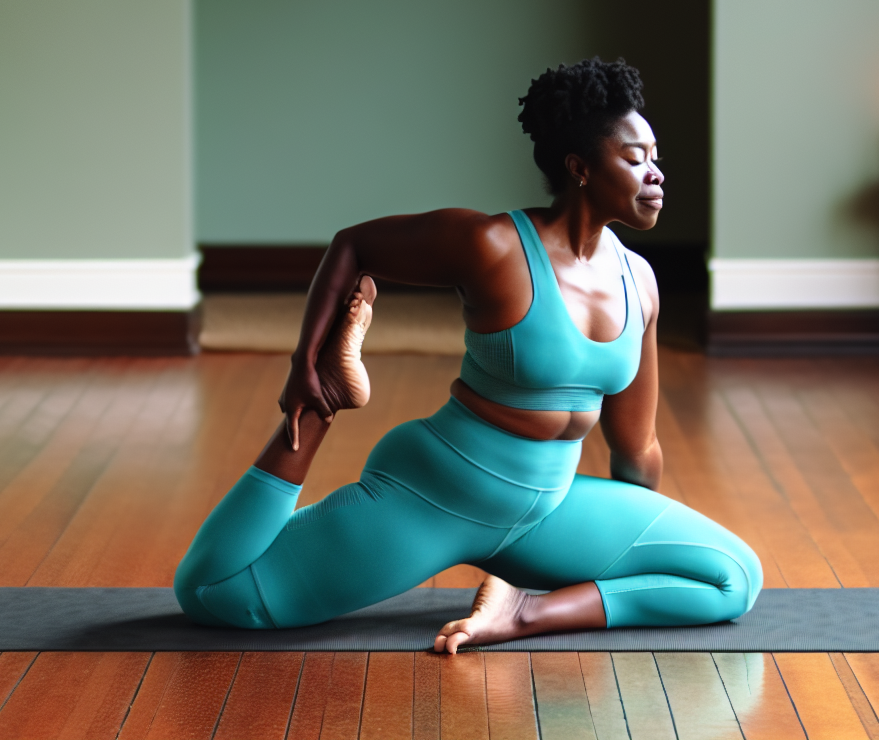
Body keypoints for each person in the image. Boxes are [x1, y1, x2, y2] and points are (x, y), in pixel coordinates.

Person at [174, 59, 761, 652]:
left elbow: (636, 447)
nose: (656, 173)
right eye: (636, 160)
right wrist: (307, 363)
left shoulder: (642, 282)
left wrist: (629, 550)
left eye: (655, 158)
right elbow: (355, 245)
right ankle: (327, 402)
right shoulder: (494, 247)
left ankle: (524, 612)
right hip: (440, 494)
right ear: (580, 168)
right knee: (217, 595)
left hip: (547, 510)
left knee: (733, 578)